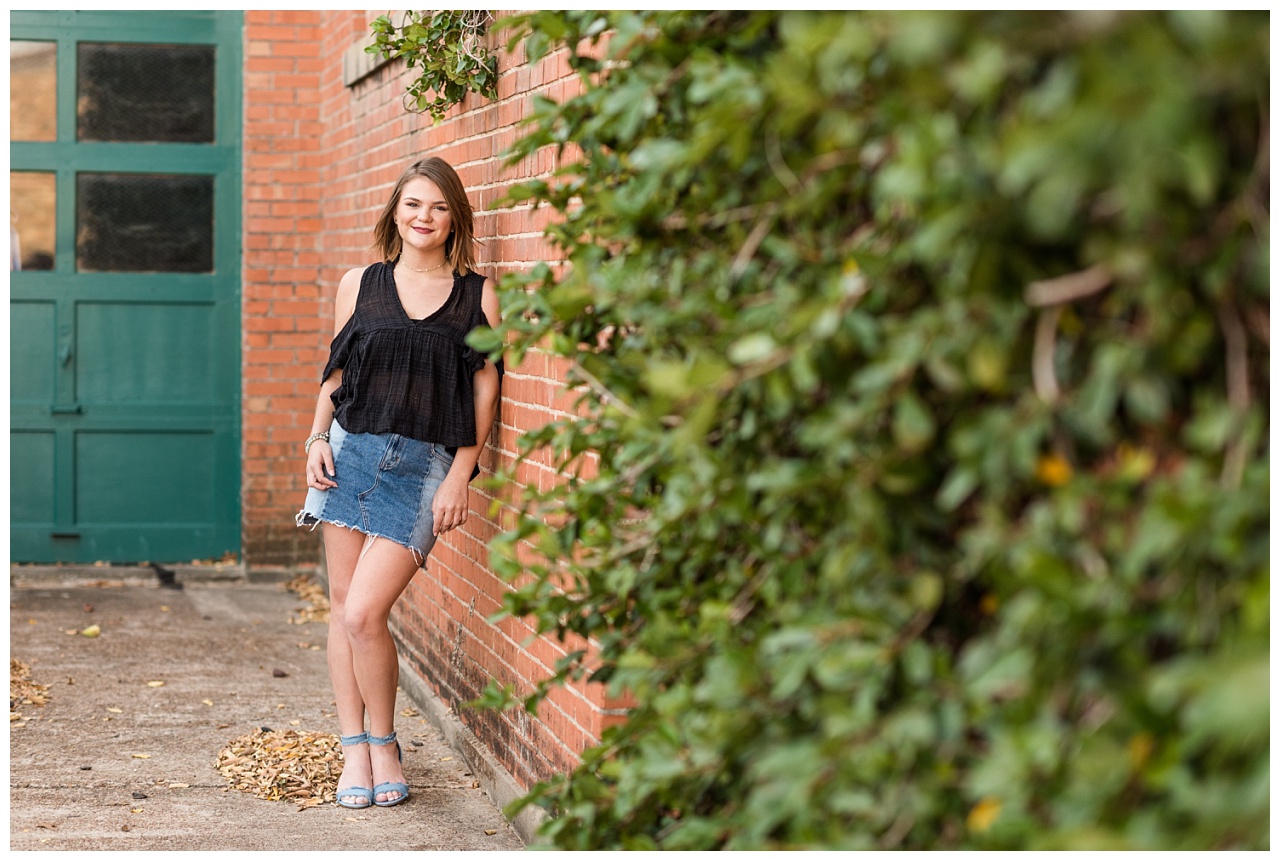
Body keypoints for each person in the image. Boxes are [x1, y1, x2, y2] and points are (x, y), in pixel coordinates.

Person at [296, 157, 501, 809]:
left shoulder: (477, 294)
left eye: (438, 207)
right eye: (413, 204)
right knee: (341, 606)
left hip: (422, 468)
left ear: (454, 219)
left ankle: (383, 739)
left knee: (364, 611)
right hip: (348, 451)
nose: (424, 217)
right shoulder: (360, 284)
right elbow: (336, 372)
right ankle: (355, 746)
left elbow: (485, 383)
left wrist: (462, 473)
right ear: (395, 212)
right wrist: (314, 439)